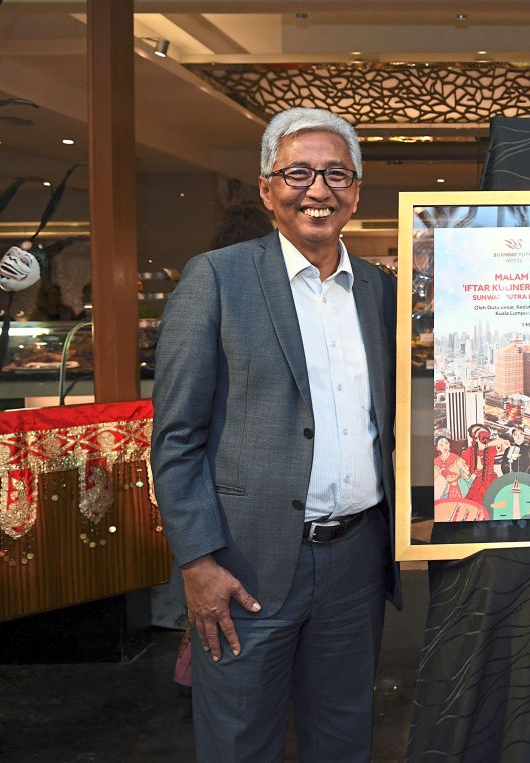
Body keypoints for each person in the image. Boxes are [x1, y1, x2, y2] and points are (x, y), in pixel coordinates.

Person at [152, 106, 400, 762]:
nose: (318, 190)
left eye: (336, 175)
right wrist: (198, 562)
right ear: (267, 188)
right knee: (239, 742)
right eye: (298, 173)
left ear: (355, 190)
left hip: (356, 558)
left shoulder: (378, 289)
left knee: (344, 739)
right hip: (245, 563)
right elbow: (176, 439)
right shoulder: (217, 279)